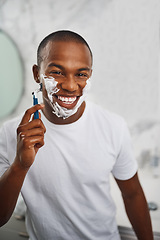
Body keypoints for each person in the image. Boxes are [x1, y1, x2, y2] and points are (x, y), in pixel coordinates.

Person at [0, 30, 153, 240]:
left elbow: (133, 194)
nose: (71, 86)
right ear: (37, 74)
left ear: (89, 75)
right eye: (57, 72)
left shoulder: (113, 126)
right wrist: (20, 165)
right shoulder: (10, 133)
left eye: (81, 74)